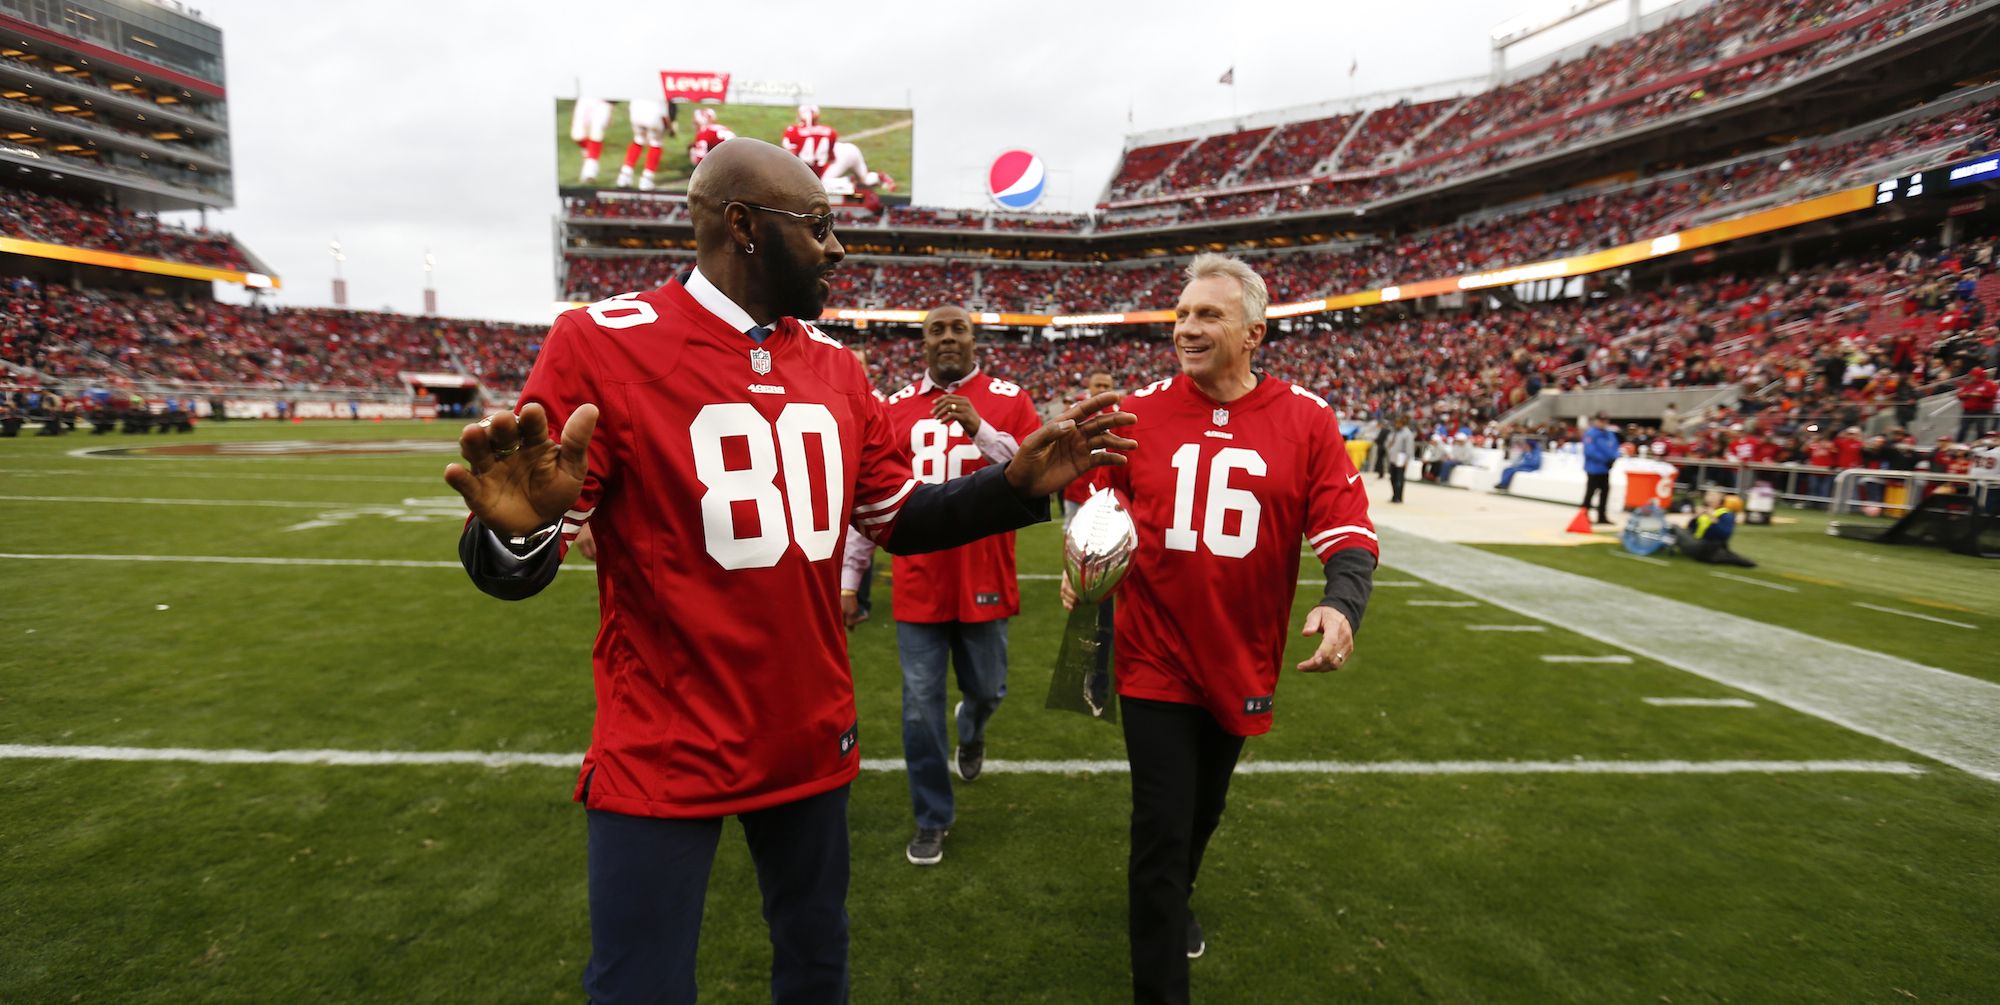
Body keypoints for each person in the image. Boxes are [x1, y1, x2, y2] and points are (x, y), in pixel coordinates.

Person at [443, 138, 1136, 1005]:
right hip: (664, 736)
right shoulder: (601, 344)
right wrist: (512, 536)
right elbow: (520, 561)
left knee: (816, 968)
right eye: (818, 226)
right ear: (743, 227)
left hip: (806, 729)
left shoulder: (837, 366)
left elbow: (900, 519)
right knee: (636, 988)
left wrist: (1014, 485)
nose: (837, 248)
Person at [1064, 254, 1376, 1005]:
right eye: (1181, 314)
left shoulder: (1306, 418)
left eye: (1208, 315)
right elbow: (1090, 500)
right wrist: (1082, 552)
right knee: (1161, 824)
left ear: (1254, 332)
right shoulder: (1137, 411)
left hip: (1242, 653)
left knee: (1204, 810)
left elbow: (1347, 527)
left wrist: (1342, 602)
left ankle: (1177, 896)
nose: (1187, 327)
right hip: (1152, 652)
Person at [841, 305, 1043, 866]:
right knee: (916, 710)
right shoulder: (892, 408)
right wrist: (850, 580)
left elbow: (1034, 475)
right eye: (937, 330)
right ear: (923, 341)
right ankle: (932, 817)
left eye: (958, 329)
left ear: (974, 338)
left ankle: (972, 728)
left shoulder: (1009, 398)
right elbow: (871, 500)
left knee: (988, 689)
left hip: (984, 573)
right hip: (917, 580)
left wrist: (981, 427)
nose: (948, 338)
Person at [1062, 370, 1118, 527]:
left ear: (1112, 388)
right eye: (1098, 385)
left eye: (1106, 386)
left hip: (1106, 488)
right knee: (1072, 532)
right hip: (1076, 485)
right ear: (1089, 387)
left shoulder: (1120, 413)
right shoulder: (1075, 412)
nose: (1101, 389)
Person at [1672, 491, 1755, 567]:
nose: (1710, 498)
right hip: (1698, 542)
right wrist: (1696, 517)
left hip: (1707, 546)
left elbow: (1724, 534)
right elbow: (1691, 529)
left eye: (1713, 495)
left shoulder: (1725, 514)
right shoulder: (1703, 511)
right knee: (1674, 527)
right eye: (1708, 495)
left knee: (1674, 528)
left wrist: (1712, 518)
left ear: (1720, 499)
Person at [1582, 411, 1619, 524]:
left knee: (1605, 492)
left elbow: (1615, 447)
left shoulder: (1609, 434)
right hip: (1594, 468)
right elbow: (1590, 451)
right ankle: (1583, 516)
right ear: (1596, 421)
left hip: (1605, 469)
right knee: (1590, 492)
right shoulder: (1591, 434)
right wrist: (1605, 460)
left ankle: (1601, 516)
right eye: (1601, 420)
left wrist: (1614, 458)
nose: (1603, 423)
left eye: (1605, 421)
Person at [1385, 415, 1414, 503]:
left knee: (1399, 478)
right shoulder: (1393, 432)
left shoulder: (1407, 433)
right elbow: (1387, 442)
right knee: (1392, 478)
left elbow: (1409, 448)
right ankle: (1394, 495)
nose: (1397, 425)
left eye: (1399, 423)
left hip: (1401, 458)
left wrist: (1407, 461)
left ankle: (1399, 497)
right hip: (1392, 457)